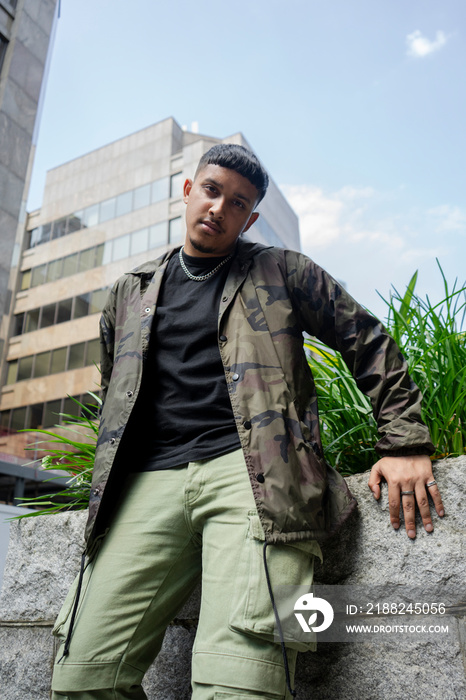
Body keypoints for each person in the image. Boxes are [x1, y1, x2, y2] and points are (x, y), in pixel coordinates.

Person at [51, 144, 444, 700]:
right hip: (148, 483)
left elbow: (368, 341)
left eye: (237, 203)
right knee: (81, 678)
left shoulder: (283, 271)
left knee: (239, 684)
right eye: (211, 191)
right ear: (189, 191)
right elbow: (117, 386)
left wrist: (404, 441)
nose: (218, 208)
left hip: (256, 478)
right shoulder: (130, 291)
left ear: (250, 217)